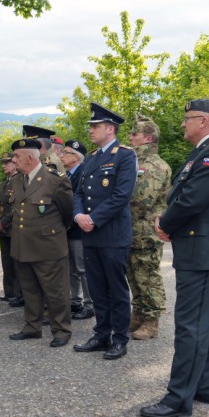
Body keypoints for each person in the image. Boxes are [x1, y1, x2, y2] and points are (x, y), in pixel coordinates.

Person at [141, 99, 209, 417]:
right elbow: (183, 195)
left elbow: (191, 199)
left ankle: (177, 399)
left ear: (205, 121)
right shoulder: (208, 150)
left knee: (190, 326)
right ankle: (203, 387)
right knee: (205, 324)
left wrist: (164, 223)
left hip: (203, 250)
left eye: (187, 119)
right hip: (202, 248)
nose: (182, 124)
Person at [73, 103, 137, 360]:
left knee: (116, 288)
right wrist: (79, 216)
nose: (91, 130)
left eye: (95, 126)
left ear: (110, 129)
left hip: (111, 234)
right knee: (98, 288)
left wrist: (93, 219)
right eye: (91, 126)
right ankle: (101, 334)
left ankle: (120, 338)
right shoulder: (91, 157)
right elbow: (78, 192)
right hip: (90, 233)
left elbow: (122, 195)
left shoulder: (125, 155)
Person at [7, 139, 74, 347]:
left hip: (48, 246)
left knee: (56, 291)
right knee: (29, 289)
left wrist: (50, 233)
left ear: (29, 157)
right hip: (22, 245)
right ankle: (32, 327)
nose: (13, 160)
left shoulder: (54, 180)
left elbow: (67, 214)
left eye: (17, 156)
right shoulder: (17, 181)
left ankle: (62, 330)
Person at [127, 117, 172, 339]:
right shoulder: (136, 162)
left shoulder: (153, 165)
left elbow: (140, 202)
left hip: (145, 233)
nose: (130, 137)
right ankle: (138, 314)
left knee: (148, 277)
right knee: (134, 277)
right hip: (133, 232)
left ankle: (151, 321)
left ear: (148, 138)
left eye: (135, 134)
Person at [60, 140, 94, 320]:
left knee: (82, 269)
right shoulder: (66, 174)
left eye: (65, 153)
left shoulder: (83, 173)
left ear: (75, 157)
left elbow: (82, 202)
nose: (61, 156)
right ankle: (75, 300)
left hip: (78, 229)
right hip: (67, 229)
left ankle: (90, 304)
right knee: (71, 268)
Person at [0, 152, 24, 307]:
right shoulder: (3, 183)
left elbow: (17, 206)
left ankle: (19, 294)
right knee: (6, 261)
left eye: (7, 163)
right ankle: (9, 292)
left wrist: (4, 222)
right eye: (3, 163)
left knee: (16, 261)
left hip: (13, 227)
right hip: (3, 229)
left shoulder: (19, 181)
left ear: (14, 164)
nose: (4, 166)